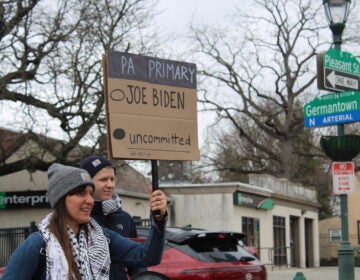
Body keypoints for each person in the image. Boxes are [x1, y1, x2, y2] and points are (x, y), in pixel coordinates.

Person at [1, 163, 167, 280]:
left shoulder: (103, 237)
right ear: (60, 200)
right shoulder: (37, 244)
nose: (89, 200)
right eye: (80, 193)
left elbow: (147, 257)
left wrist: (158, 220)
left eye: (90, 193)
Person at [79, 155, 143, 279]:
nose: (110, 185)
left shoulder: (124, 218)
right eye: (103, 180)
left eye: (112, 179)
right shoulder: (77, 218)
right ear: (87, 182)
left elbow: (137, 262)